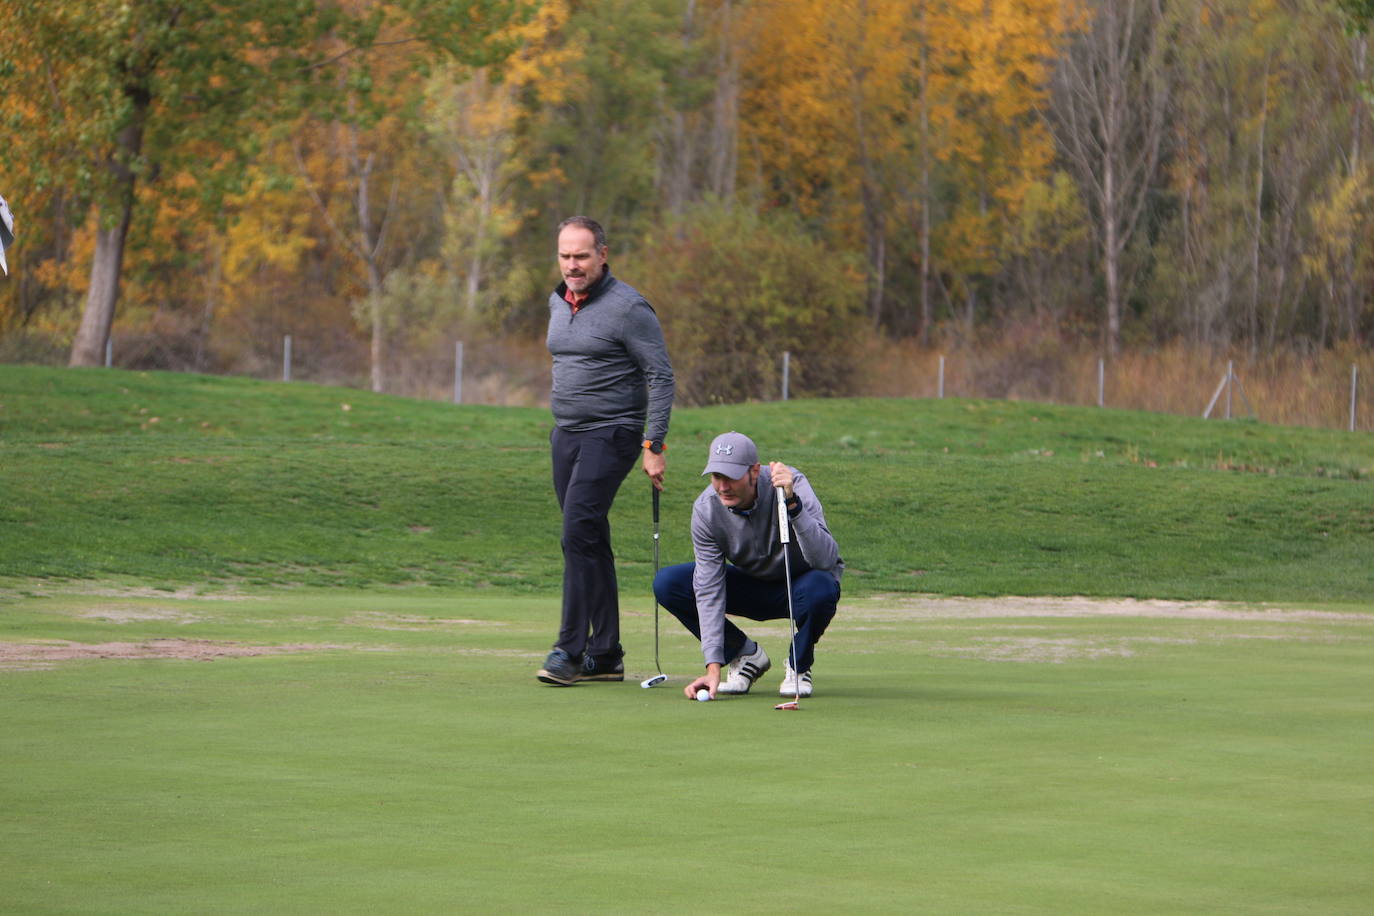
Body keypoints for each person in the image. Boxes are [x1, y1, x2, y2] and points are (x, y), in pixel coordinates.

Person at [536, 216, 675, 686]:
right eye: (564, 255)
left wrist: (653, 444)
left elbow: (661, 376)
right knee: (588, 537)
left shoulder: (629, 308)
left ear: (602, 255)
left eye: (581, 256)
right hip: (566, 434)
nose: (572, 265)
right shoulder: (558, 300)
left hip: (613, 432)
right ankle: (607, 653)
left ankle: (569, 650)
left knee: (577, 529)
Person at [653, 431, 842, 700]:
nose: (723, 487)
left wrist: (793, 505)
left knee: (822, 587)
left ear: (754, 471)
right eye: (716, 477)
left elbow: (825, 560)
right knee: (669, 583)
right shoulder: (706, 509)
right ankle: (743, 655)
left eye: (731, 477)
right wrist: (713, 666)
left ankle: (798, 666)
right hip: (750, 585)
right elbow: (708, 587)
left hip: (800, 585)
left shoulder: (792, 484)